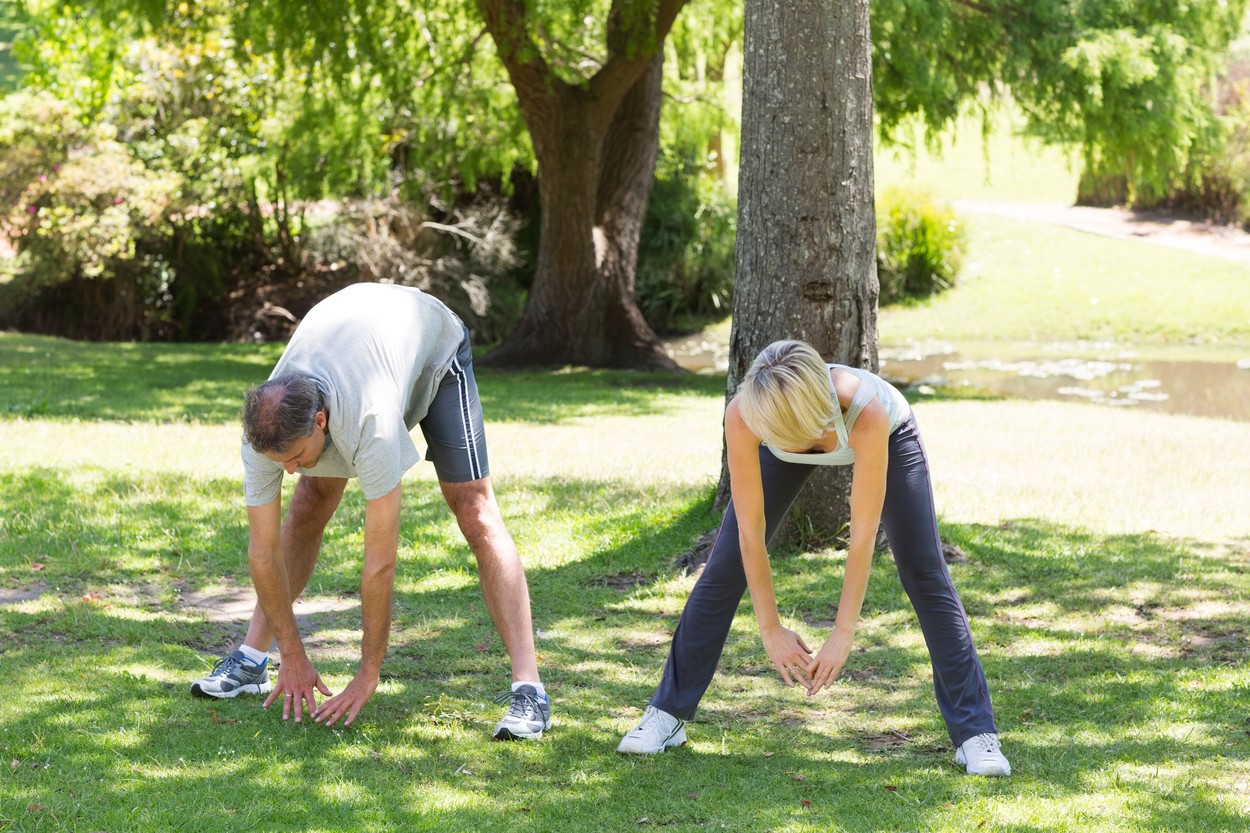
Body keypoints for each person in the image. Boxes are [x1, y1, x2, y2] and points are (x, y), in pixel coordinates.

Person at [617, 339, 1010, 776]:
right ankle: (667, 714)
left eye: (780, 431)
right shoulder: (747, 415)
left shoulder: (868, 411)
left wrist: (843, 632)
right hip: (795, 428)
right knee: (724, 565)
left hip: (885, 433)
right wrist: (768, 627)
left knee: (924, 570)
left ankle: (976, 733)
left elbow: (862, 535)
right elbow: (751, 533)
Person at [190, 282, 550, 740]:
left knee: (473, 509)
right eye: (282, 463)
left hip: (434, 354)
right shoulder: (265, 432)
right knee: (308, 502)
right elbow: (262, 552)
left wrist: (368, 671)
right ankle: (253, 658)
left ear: (320, 420)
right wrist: (294, 655)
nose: (292, 469)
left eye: (298, 457)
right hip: (362, 348)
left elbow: (379, 564)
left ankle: (530, 690)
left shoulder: (370, 423)